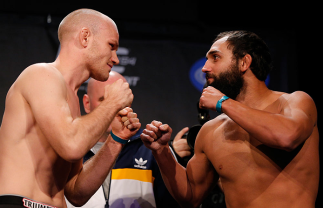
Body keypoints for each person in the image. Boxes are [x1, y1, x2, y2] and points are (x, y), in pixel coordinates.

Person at [141, 31, 319, 208]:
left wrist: (223, 103)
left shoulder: (295, 102)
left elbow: (287, 137)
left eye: (215, 58)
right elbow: (191, 196)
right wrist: (162, 152)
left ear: (244, 62)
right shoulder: (212, 131)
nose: (205, 68)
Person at [0, 9, 141, 208]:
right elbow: (72, 145)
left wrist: (116, 139)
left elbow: (76, 193)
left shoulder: (72, 101)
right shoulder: (41, 75)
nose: (116, 58)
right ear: (85, 37)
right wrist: (112, 102)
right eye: (111, 46)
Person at [66, 71, 180, 208]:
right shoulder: (68, 149)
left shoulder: (151, 149)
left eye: (120, 101)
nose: (114, 109)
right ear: (87, 103)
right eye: (105, 101)